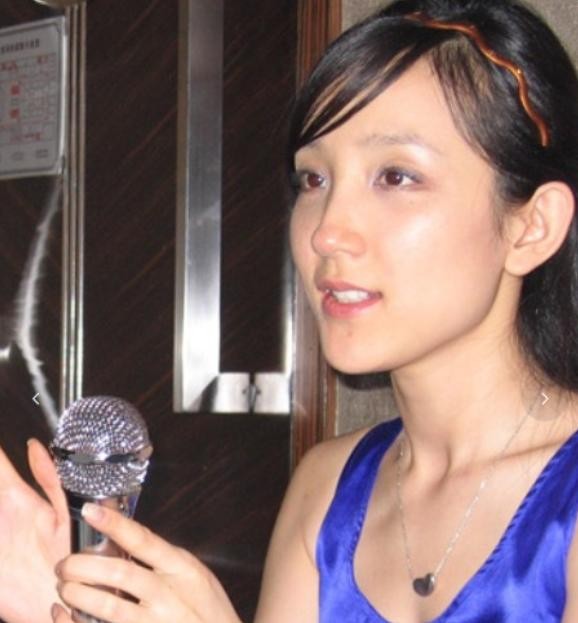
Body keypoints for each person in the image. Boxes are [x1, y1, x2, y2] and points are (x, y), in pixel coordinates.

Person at [1, 0, 578, 621]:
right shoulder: (327, 488)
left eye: (396, 177)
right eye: (313, 180)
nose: (327, 231)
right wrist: (67, 605)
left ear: (532, 226)